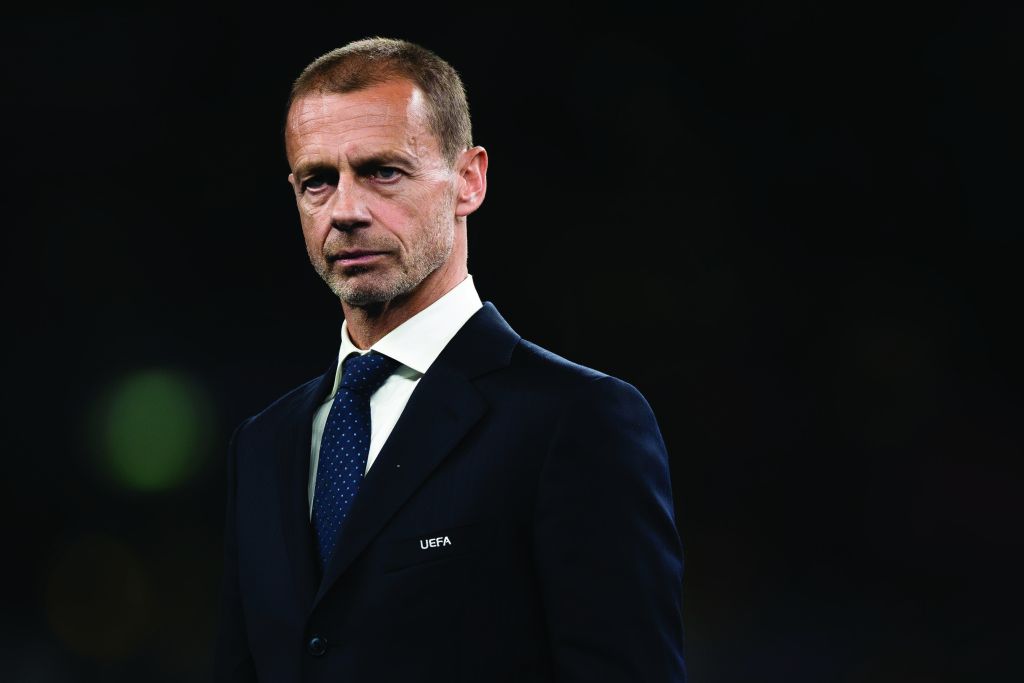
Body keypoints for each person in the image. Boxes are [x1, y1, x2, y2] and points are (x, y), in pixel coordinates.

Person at [215, 37, 686, 683]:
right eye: (318, 181)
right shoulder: (262, 444)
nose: (345, 211)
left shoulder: (577, 420)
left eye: (383, 171)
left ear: (469, 180)